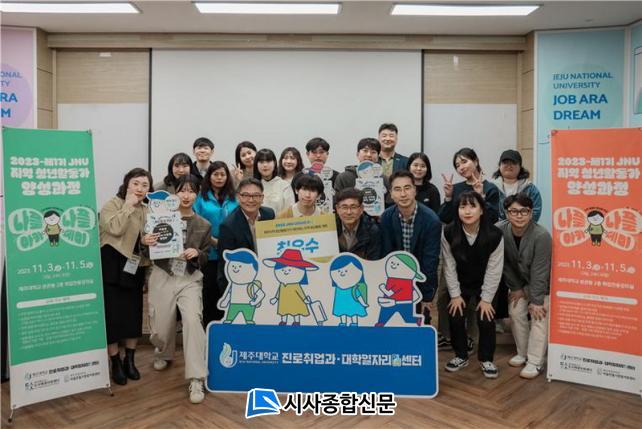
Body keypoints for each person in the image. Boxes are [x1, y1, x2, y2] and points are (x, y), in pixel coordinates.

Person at [144, 175, 210, 404]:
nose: (186, 195)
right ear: (175, 193)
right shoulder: (158, 217)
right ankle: (164, 351)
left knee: (192, 320)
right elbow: (145, 251)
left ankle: (197, 378)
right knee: (161, 326)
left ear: (197, 194)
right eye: (182, 190)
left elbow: (206, 255)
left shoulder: (203, 224)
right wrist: (145, 242)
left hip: (189, 277)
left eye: (192, 191)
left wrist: (197, 254)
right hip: (162, 273)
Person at [99, 168, 154, 386]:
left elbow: (145, 241)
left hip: (135, 266)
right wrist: (128, 206)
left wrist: (146, 242)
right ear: (127, 184)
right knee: (112, 316)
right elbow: (115, 229)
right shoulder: (111, 204)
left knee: (133, 314)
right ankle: (115, 361)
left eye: (145, 185)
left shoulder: (148, 210)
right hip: (112, 264)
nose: (140, 189)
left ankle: (130, 359)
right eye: (136, 183)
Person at [442, 191, 504, 379]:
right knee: (455, 314)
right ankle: (461, 355)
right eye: (463, 207)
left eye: (472, 206)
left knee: (486, 318)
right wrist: (455, 294)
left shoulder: (495, 234)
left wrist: (486, 299)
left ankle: (486, 359)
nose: (467, 211)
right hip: (460, 281)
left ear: (482, 210)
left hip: (486, 282)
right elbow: (449, 265)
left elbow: (494, 269)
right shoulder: (449, 231)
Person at [497, 193, 551, 379]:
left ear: (531, 213)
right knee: (515, 311)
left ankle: (536, 361)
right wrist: (516, 288)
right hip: (520, 283)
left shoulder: (542, 235)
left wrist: (536, 301)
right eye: (514, 211)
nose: (519, 216)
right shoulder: (500, 230)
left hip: (542, 284)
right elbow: (504, 263)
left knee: (539, 315)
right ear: (507, 213)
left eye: (524, 211)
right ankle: (523, 352)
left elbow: (540, 271)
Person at [380, 171, 441, 319]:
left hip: (421, 277)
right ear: (391, 194)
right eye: (397, 189)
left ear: (415, 190)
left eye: (407, 188)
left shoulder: (431, 220)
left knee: (421, 320)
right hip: (395, 280)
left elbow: (430, 261)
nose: (403, 194)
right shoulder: (386, 217)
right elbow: (386, 254)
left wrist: (427, 296)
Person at [193, 161, 239, 325]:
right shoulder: (200, 198)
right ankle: (209, 331)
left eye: (223, 174)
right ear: (209, 176)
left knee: (228, 294)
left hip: (231, 254)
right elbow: (195, 222)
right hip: (209, 253)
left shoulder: (235, 197)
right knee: (209, 293)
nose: (219, 178)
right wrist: (212, 241)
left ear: (227, 177)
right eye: (215, 174)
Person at [217, 178, 276, 293]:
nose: (251, 200)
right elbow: (226, 264)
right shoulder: (228, 226)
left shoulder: (269, 214)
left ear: (262, 198)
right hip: (242, 279)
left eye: (256, 195)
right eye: (245, 195)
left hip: (267, 274)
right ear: (238, 197)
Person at [438, 147, 500, 225]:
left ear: (476, 162)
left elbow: (493, 219)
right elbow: (444, 218)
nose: (461, 167)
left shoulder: (490, 188)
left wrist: (480, 196)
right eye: (457, 166)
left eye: (464, 162)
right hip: (458, 231)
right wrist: (448, 197)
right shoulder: (455, 188)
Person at [491, 149, 542, 222]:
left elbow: (535, 213)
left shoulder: (531, 189)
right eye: (505, 162)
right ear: (499, 165)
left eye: (513, 163)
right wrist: (503, 226)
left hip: (524, 228)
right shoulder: (491, 188)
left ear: (520, 167)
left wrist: (519, 225)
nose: (509, 166)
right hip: (496, 228)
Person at [334, 138, 391, 203]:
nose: (369, 155)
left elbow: (389, 203)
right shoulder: (343, 177)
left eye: (373, 152)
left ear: (378, 156)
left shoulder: (384, 179)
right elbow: (337, 202)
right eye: (365, 151)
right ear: (357, 154)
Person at [334, 188, 381, 260]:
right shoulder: (330, 228)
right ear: (337, 209)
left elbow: (374, 261)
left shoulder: (373, 230)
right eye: (344, 207)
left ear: (361, 209)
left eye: (353, 207)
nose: (349, 212)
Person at [253, 148, 295, 214]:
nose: (265, 165)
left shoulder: (284, 185)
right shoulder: (252, 186)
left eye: (268, 161)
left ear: (275, 163)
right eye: (261, 162)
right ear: (256, 165)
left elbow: (290, 212)